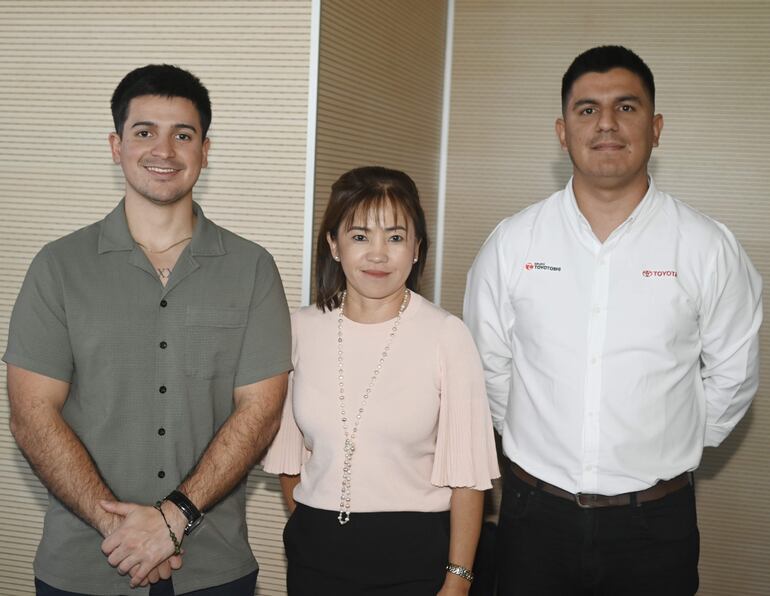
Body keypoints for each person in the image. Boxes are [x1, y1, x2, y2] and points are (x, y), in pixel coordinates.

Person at [464, 45, 762, 596]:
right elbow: (488, 368)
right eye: (587, 109)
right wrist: (539, 437)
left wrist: (668, 446)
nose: (606, 123)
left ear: (656, 127)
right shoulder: (514, 242)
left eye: (626, 107)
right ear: (561, 131)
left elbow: (733, 377)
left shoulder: (706, 247)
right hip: (534, 520)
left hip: (655, 526)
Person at [3, 64, 292, 595]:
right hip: (84, 567)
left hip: (214, 567)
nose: (164, 150)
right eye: (144, 132)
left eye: (183, 135)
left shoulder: (253, 268)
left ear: (205, 150)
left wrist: (172, 520)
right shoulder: (58, 266)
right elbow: (30, 414)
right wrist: (123, 533)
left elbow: (262, 410)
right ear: (116, 146)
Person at [262, 166, 500, 595]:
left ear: (415, 249)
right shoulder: (300, 328)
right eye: (359, 236)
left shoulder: (446, 335)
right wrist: (310, 522)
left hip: (416, 561)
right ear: (333, 244)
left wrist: (458, 581)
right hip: (316, 559)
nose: (377, 254)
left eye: (394, 237)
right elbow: (289, 458)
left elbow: (468, 480)